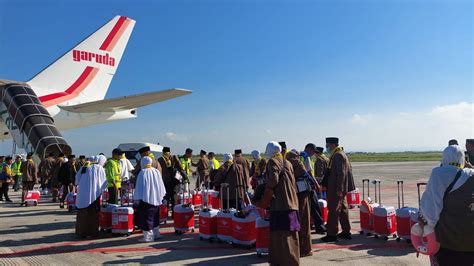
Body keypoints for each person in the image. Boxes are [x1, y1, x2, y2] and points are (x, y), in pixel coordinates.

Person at [419, 145, 474, 266]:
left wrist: (426, 227)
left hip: (448, 241)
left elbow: (429, 210)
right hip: (470, 241)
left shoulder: (438, 174)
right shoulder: (471, 174)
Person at [256, 141, 300, 265]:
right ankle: (292, 261)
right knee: (291, 235)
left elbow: (273, 180)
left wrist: (266, 190)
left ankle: (280, 261)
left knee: (279, 235)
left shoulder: (273, 162)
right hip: (292, 202)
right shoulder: (288, 162)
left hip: (280, 204)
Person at [322, 137, 355, 242]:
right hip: (339, 188)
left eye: (327, 146)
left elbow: (341, 173)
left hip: (336, 188)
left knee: (333, 210)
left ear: (332, 145)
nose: (326, 148)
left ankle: (331, 234)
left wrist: (339, 188)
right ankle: (346, 231)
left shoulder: (338, 155)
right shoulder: (340, 154)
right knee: (343, 209)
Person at [286, 150, 313, 257]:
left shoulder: (294, 165)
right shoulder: (299, 164)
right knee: (303, 221)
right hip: (303, 194)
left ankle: (305, 249)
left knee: (302, 221)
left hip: (301, 195)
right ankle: (304, 248)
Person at [134, 156, 167, 242]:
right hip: (156, 198)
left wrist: (137, 199)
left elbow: (139, 188)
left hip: (146, 199)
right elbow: (161, 184)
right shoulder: (156, 171)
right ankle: (156, 234)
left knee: (147, 218)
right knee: (155, 216)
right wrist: (161, 196)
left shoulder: (142, 173)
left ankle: (148, 237)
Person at [75, 155, 108, 238]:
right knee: (93, 213)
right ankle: (92, 232)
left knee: (82, 213)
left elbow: (77, 179)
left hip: (82, 194)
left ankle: (81, 232)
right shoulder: (99, 168)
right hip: (94, 195)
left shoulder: (85, 166)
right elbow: (103, 182)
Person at [157, 147, 181, 211]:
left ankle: (165, 213)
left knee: (166, 197)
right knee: (173, 197)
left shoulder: (160, 159)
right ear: (170, 152)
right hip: (174, 180)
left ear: (162, 152)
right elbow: (180, 167)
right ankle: (174, 214)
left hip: (165, 181)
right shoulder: (174, 157)